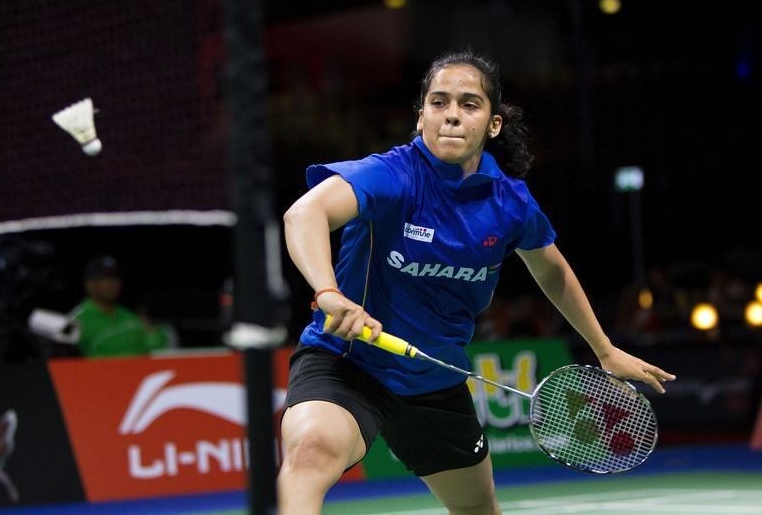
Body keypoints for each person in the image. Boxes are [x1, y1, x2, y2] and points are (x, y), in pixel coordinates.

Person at [278, 50, 676, 515]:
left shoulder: (509, 202)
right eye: (438, 102)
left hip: (435, 377)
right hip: (350, 363)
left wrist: (604, 348)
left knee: (478, 509)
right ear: (421, 115)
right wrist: (329, 293)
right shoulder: (392, 174)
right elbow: (304, 213)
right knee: (311, 452)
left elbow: (552, 269)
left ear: (493, 125)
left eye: (469, 104)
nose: (451, 115)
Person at [68, 256, 171, 358]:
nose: (114, 284)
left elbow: (157, 347)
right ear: (90, 284)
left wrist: (152, 332)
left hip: (142, 372)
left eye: (116, 278)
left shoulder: (129, 315)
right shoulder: (75, 320)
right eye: (106, 278)